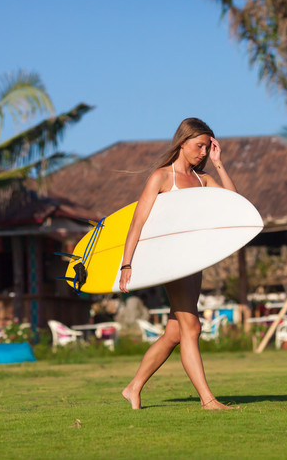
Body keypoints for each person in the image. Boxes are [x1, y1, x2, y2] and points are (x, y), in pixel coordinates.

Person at [120, 117, 238, 410]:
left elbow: (235, 204)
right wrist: (126, 265)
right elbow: (138, 221)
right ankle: (207, 399)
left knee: (175, 331)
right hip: (170, 261)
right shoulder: (162, 177)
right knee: (191, 326)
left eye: (207, 147)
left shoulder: (203, 180)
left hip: (193, 262)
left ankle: (133, 388)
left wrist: (218, 162)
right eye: (199, 145)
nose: (202, 152)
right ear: (182, 142)